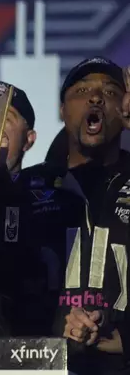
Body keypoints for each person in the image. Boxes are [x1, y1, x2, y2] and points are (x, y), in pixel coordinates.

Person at [50, 57, 130, 374]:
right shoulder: (28, 187)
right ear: (61, 111)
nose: (95, 97)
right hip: (41, 363)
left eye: (111, 92)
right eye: (82, 90)